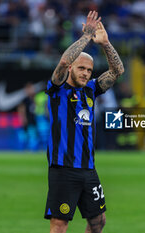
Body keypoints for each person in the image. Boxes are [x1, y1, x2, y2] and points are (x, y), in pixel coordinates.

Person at [43, 11, 124, 233]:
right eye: (81, 68)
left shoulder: (90, 90)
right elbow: (63, 60)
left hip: (88, 169)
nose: (86, 73)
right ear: (71, 69)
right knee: (60, 225)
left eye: (89, 70)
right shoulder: (57, 89)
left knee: (98, 222)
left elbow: (118, 71)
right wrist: (87, 36)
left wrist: (106, 44)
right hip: (63, 169)